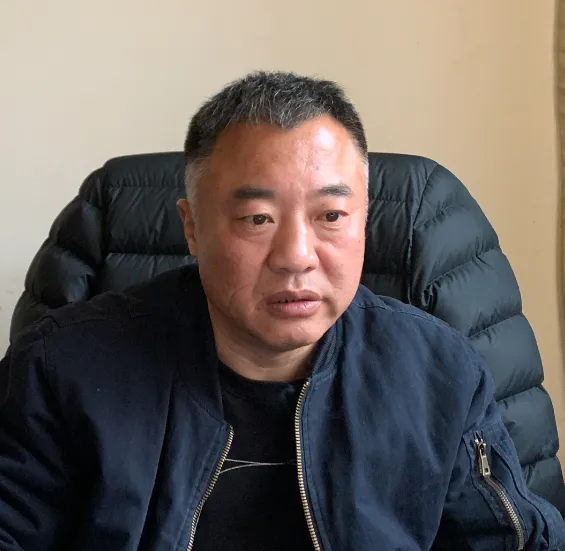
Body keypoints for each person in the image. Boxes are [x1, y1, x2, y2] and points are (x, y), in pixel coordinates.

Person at [0, 71, 564, 551]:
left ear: (365, 220)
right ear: (191, 227)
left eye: (331, 216)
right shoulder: (60, 371)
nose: (296, 256)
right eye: (257, 220)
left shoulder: (439, 373)